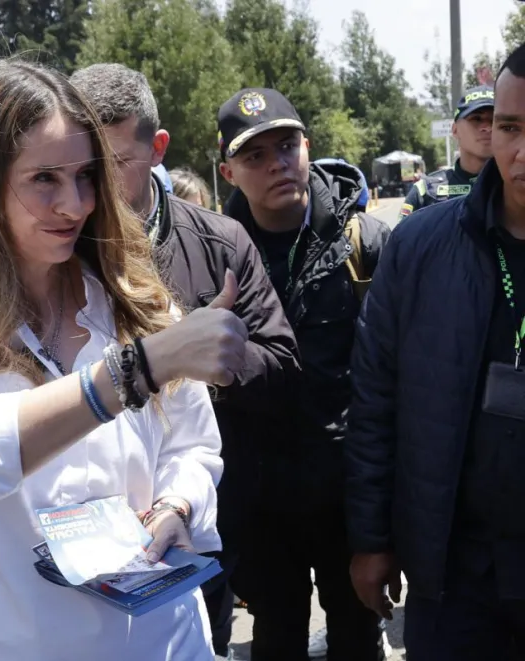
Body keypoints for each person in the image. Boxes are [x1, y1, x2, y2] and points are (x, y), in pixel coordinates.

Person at [0, 58, 250, 661]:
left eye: (86, 176)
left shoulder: (130, 295)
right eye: (44, 178)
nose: (74, 204)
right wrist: (136, 370)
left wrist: (178, 506)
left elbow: (194, 447)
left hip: (157, 641)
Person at [71, 63, 298, 661]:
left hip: (202, 526)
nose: (88, 185)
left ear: (156, 149)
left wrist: (199, 360)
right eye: (80, 161)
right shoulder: (52, 247)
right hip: (80, 547)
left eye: (113, 161)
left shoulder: (220, 244)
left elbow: (281, 365)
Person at [347, 46, 525, 660]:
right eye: (509, 128)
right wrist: (371, 539)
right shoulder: (420, 247)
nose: (520, 152)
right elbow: (376, 397)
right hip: (453, 573)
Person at [218, 88, 391, 661]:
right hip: (263, 508)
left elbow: (396, 382)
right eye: (255, 155)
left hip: (347, 499)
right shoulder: (213, 255)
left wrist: (385, 522)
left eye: (287, 146)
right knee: (277, 642)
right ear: (228, 172)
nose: (277, 164)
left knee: (356, 641)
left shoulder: (363, 242)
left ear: (307, 148)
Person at [398, 85, 494, 222]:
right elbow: (401, 241)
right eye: (477, 119)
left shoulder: (516, 186)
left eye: (495, 120)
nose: (487, 127)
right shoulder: (425, 191)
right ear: (455, 130)